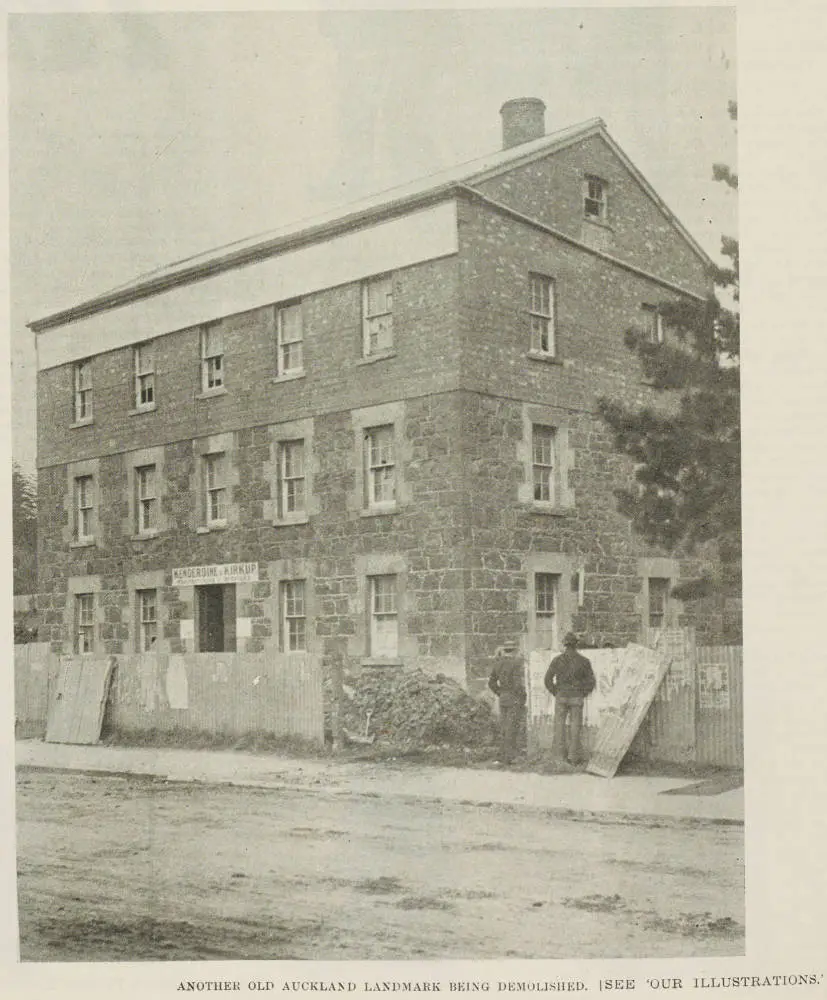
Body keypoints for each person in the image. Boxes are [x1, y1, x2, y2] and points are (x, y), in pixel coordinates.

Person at [544, 632, 596, 766]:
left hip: (561, 696)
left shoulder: (557, 660)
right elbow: (591, 682)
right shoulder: (584, 661)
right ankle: (573, 758)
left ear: (565, 644)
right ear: (576, 645)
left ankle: (559, 757)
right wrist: (582, 693)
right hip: (576, 697)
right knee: (575, 727)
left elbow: (547, 679)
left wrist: (556, 692)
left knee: (559, 726)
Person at [488, 644, 527, 766]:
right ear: (514, 651)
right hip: (513, 698)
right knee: (512, 727)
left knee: (504, 727)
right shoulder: (516, 664)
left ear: (504, 650)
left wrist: (500, 692)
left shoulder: (498, 663)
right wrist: (522, 696)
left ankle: (502, 755)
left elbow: (491, 683)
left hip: (503, 698)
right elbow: (517, 684)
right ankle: (509, 757)